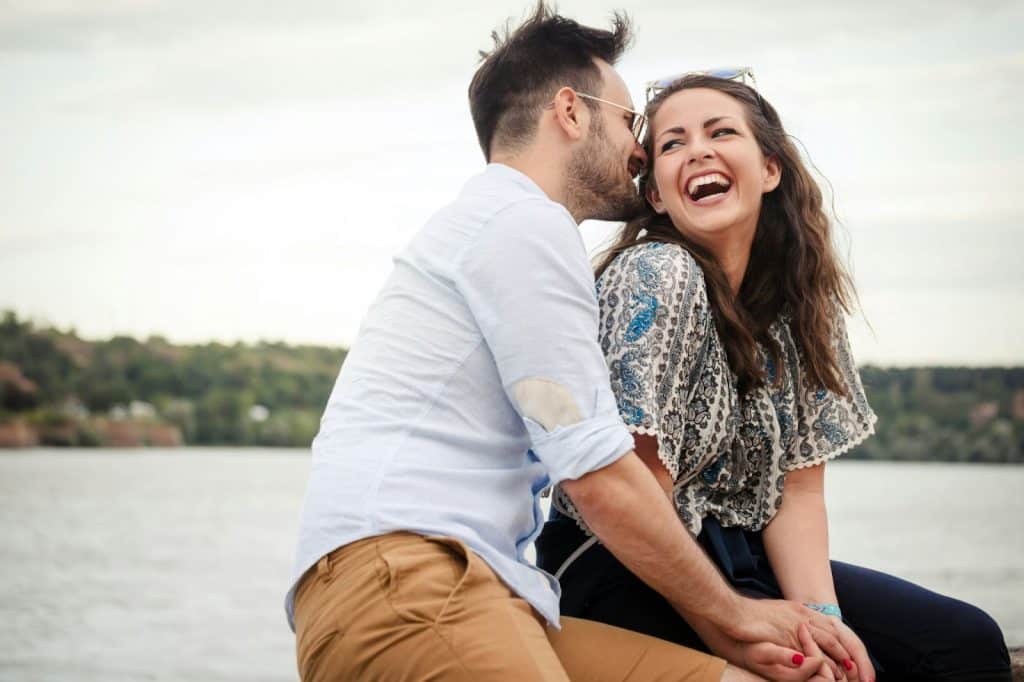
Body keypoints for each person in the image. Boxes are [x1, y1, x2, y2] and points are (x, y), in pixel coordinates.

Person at [285, 5, 865, 681]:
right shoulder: (523, 223)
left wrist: (744, 635)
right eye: (628, 122)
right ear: (570, 112)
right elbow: (594, 470)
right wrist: (735, 618)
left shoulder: (500, 226)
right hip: (410, 582)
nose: (639, 152)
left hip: (487, 589)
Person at [535, 72, 1013, 682]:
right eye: (673, 143)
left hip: (738, 556)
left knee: (965, 644)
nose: (698, 151)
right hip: (621, 563)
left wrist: (823, 619)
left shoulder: (799, 303)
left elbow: (799, 492)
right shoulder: (657, 274)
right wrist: (735, 631)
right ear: (655, 194)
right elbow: (639, 487)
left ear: (769, 169)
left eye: (720, 132)